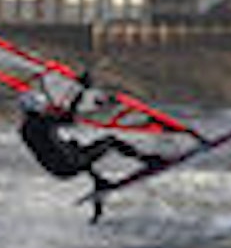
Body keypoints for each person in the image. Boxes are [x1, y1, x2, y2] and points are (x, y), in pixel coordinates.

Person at [17, 72, 166, 222]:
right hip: (71, 163)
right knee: (110, 141)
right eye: (44, 106)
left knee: (73, 145)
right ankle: (148, 160)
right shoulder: (43, 121)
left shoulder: (24, 129)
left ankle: (99, 182)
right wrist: (81, 90)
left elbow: (58, 125)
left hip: (56, 170)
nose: (46, 108)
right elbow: (70, 118)